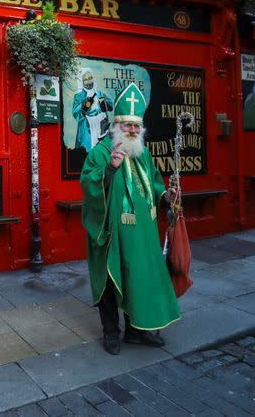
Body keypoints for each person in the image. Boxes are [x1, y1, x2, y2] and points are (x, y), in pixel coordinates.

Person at [80, 83, 180, 355]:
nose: (133, 131)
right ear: (116, 126)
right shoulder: (101, 152)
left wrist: (166, 196)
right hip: (111, 233)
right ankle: (112, 332)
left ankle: (137, 331)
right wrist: (110, 170)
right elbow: (89, 186)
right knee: (112, 283)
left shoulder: (143, 153)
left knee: (139, 279)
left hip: (141, 235)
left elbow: (155, 185)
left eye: (136, 126)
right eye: (127, 126)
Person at [72, 69, 110, 152]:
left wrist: (103, 101)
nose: (89, 81)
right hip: (87, 128)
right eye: (85, 80)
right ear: (81, 82)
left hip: (101, 127)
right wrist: (85, 105)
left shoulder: (99, 93)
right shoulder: (79, 96)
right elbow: (76, 114)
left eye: (90, 78)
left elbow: (110, 106)